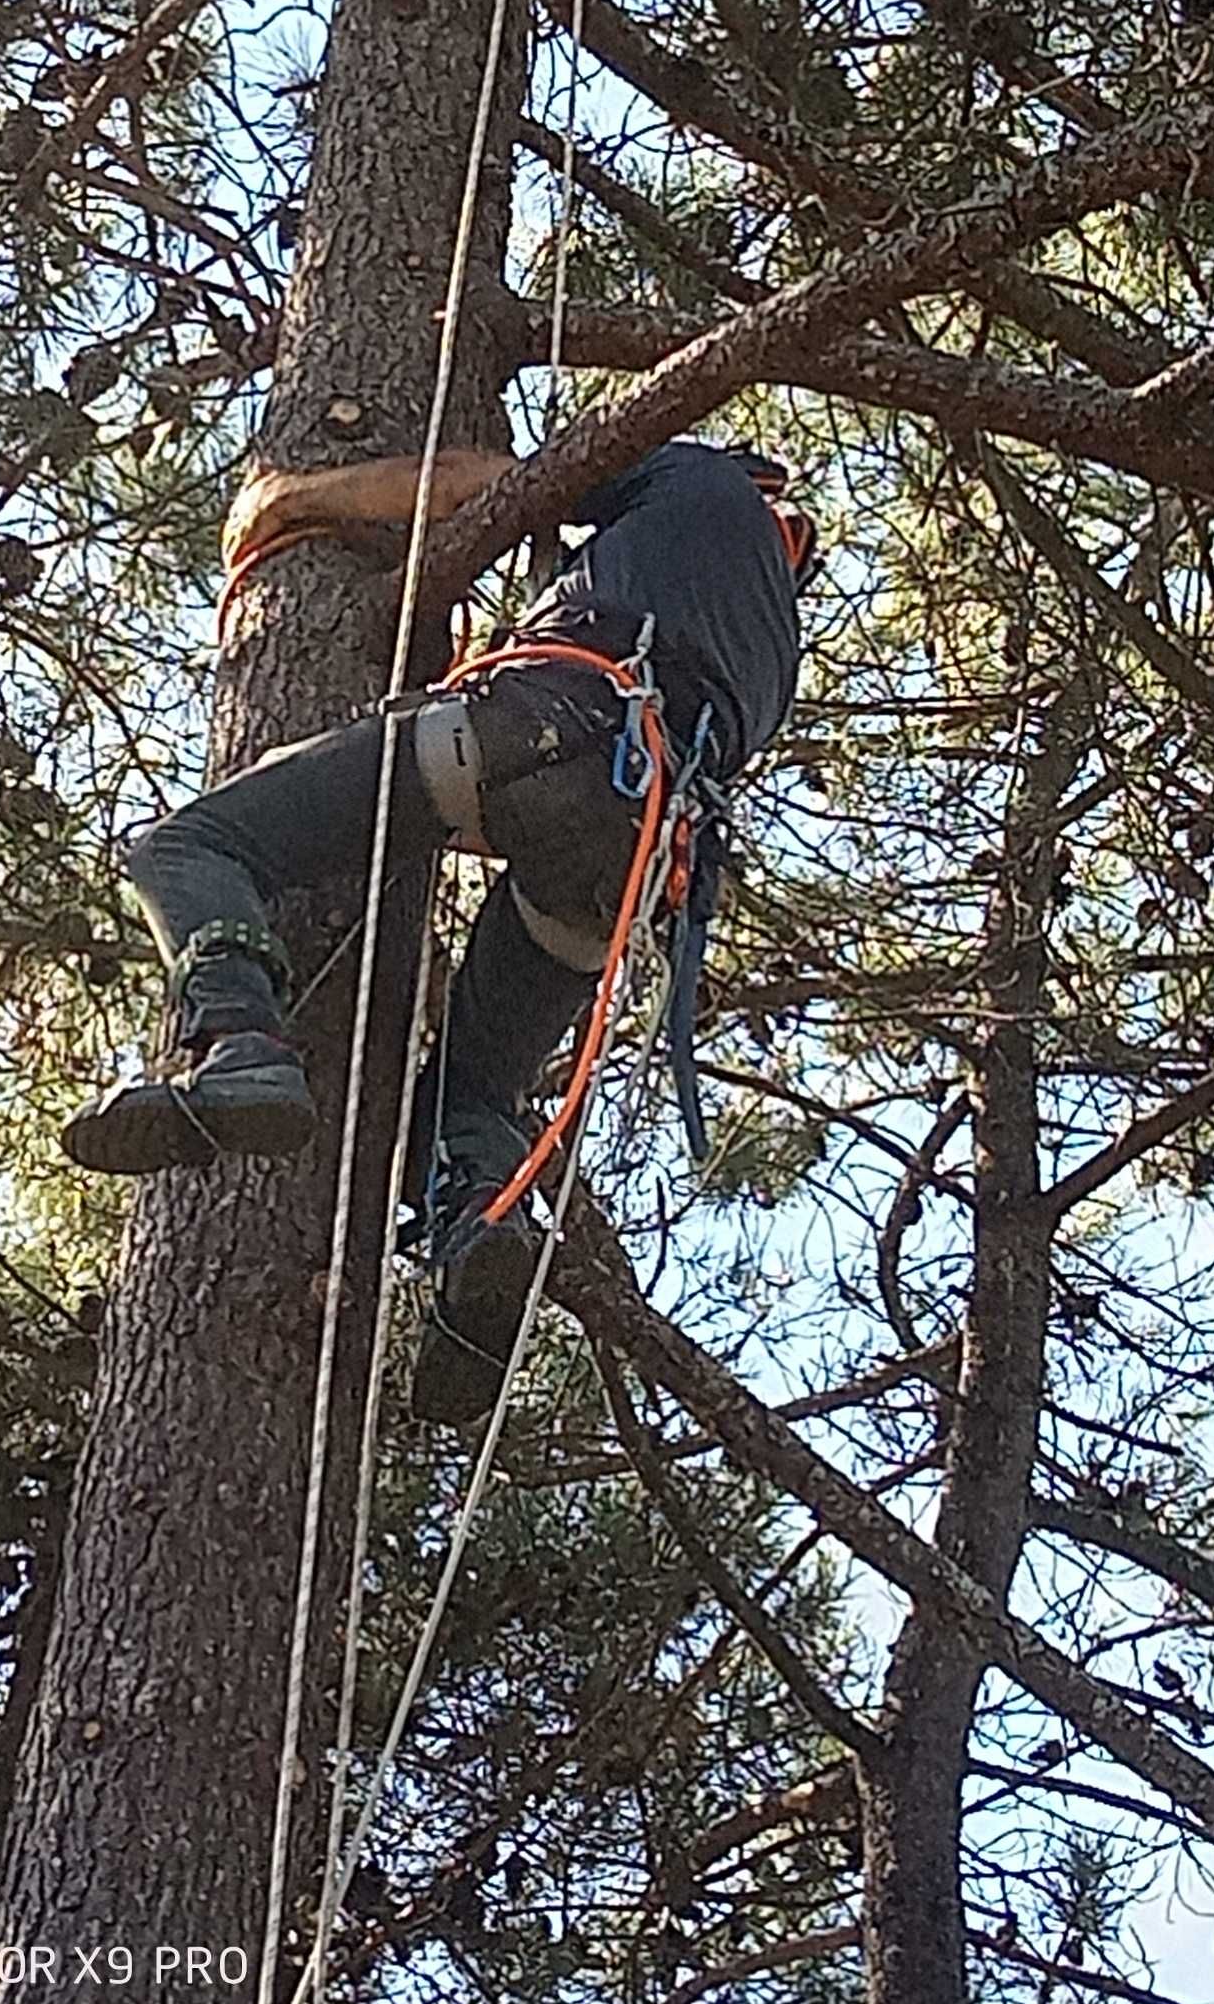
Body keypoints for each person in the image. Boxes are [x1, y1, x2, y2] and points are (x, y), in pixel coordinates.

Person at [61, 438, 816, 1422]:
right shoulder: (769, 639)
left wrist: (292, 502)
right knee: (472, 1092)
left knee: (187, 850)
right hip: (629, 856)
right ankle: (476, 1226)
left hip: (548, 727)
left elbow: (479, 485)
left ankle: (236, 1040)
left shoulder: (692, 477)